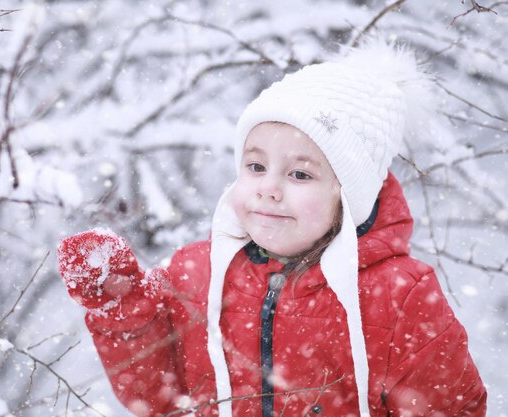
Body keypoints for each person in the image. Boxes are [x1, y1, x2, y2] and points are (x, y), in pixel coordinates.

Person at [57, 38, 487, 417]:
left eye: (300, 175)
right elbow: (156, 401)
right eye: (256, 166)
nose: (269, 189)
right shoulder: (198, 273)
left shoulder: (400, 295)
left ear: (348, 193)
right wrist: (122, 306)